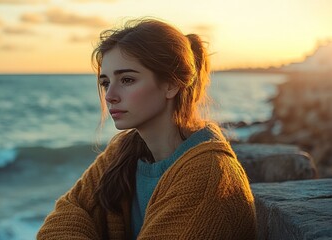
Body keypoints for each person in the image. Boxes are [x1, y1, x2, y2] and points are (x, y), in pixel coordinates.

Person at [37, 18, 256, 239]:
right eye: (105, 82)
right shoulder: (124, 151)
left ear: (171, 85)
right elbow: (69, 209)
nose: (110, 96)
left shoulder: (206, 174)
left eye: (127, 80)